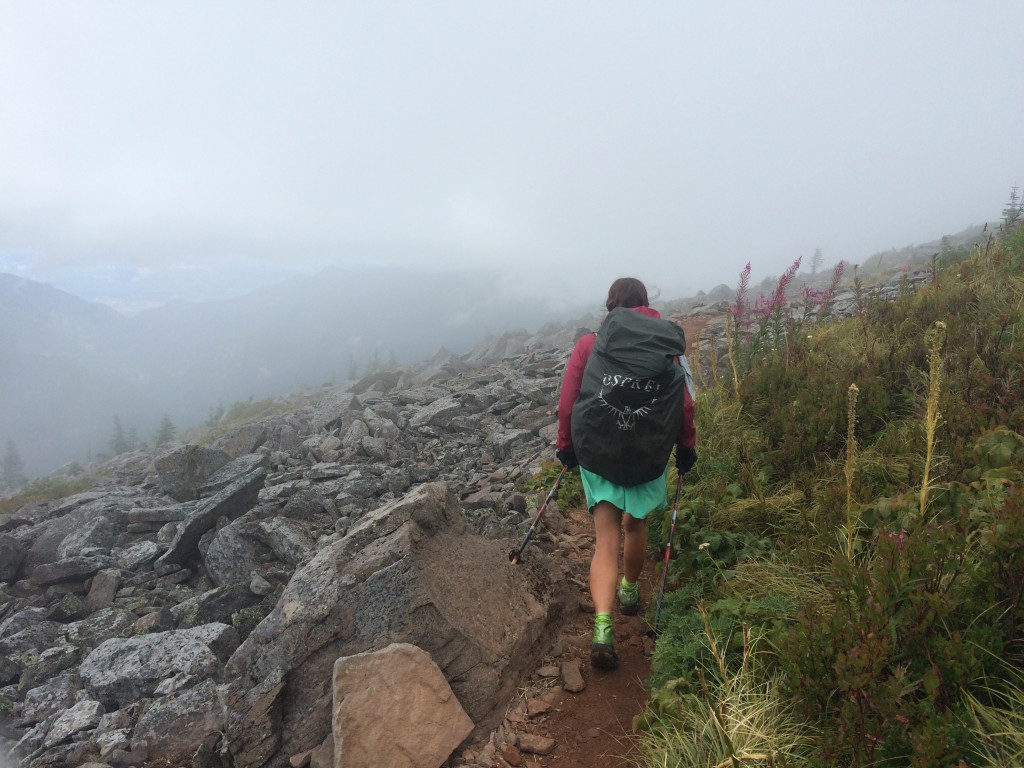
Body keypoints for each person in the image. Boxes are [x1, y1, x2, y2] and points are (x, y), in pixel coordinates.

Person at [555, 277, 697, 669]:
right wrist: (686, 449)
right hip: (647, 453)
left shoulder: (590, 344)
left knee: (605, 541)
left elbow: (568, 403)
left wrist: (566, 447)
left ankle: (602, 625)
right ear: (647, 306)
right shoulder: (669, 349)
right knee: (635, 527)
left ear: (611, 305)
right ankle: (630, 592)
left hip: (599, 451)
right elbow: (684, 406)